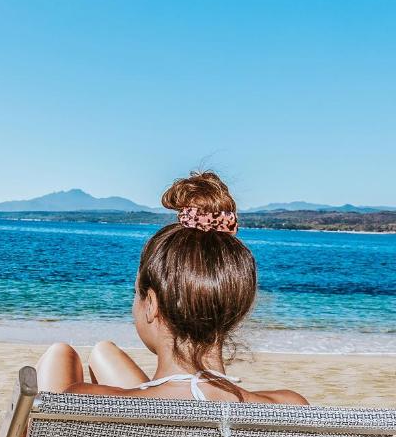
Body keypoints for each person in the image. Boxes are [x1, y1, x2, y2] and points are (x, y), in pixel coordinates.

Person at [36, 171, 308, 406]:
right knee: (103, 351)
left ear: (151, 303)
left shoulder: (83, 401)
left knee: (59, 355)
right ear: (239, 306)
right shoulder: (291, 407)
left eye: (137, 294)